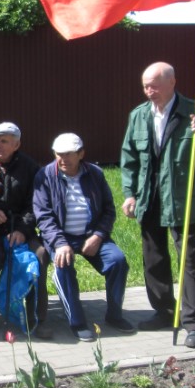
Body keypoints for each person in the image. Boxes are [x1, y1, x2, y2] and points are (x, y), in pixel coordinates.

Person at [120, 61, 195, 349]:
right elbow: (129, 158)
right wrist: (130, 194)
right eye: (145, 86)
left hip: (182, 197)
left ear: (172, 82)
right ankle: (165, 311)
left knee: (188, 260)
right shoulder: (139, 115)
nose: (149, 91)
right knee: (153, 257)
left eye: (154, 86)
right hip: (149, 197)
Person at [33, 133, 136, 342]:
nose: (63, 159)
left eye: (68, 154)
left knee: (118, 261)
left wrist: (98, 235)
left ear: (81, 154)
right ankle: (77, 322)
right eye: (58, 154)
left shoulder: (95, 174)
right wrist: (60, 243)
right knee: (63, 265)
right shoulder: (45, 175)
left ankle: (114, 316)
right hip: (61, 238)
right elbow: (43, 216)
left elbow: (108, 210)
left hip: (91, 235)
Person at [0, 122, 51, 339]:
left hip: (21, 227)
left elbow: (36, 204)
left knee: (40, 255)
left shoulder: (31, 169)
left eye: (4, 141)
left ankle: (37, 318)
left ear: (16, 145)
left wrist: (22, 229)